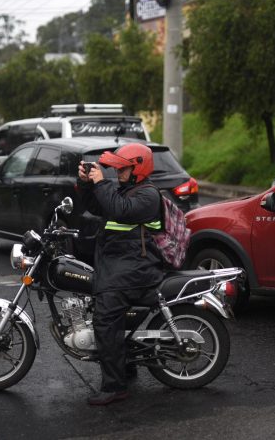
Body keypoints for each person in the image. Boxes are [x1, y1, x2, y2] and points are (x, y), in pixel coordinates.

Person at [77, 143, 164, 406]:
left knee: (105, 319)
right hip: (119, 264)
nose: (117, 173)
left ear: (138, 168)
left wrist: (101, 182)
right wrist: (84, 183)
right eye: (116, 169)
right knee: (109, 314)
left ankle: (115, 386)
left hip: (136, 268)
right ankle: (125, 364)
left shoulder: (148, 195)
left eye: (122, 168)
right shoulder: (126, 189)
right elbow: (97, 205)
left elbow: (119, 210)